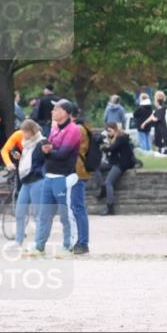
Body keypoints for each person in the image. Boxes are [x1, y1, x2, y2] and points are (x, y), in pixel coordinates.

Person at [31, 99, 81, 256]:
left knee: (66, 215)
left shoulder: (73, 130)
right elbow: (48, 151)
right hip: (49, 176)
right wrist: (47, 150)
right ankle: (39, 246)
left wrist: (49, 151)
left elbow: (63, 153)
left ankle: (68, 246)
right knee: (44, 214)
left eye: (56, 109)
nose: (52, 112)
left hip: (63, 177)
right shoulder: (54, 129)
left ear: (65, 112)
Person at [0, 119, 45, 249]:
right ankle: (18, 240)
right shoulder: (26, 143)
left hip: (37, 180)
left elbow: (43, 160)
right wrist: (18, 157)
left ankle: (39, 243)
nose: (23, 135)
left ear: (32, 131)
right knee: (19, 212)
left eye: (26, 132)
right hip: (26, 181)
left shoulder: (41, 142)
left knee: (38, 213)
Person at [94, 121, 135, 216]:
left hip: (122, 164)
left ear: (115, 130)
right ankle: (103, 188)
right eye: (107, 131)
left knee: (109, 182)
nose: (109, 133)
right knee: (95, 167)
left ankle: (110, 207)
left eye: (110, 131)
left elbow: (112, 148)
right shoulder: (113, 138)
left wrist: (104, 147)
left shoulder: (121, 138)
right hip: (114, 162)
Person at [69, 107, 91, 255]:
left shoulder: (77, 129)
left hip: (77, 171)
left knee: (78, 207)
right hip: (75, 171)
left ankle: (83, 242)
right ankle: (80, 241)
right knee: (75, 207)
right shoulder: (78, 128)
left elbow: (67, 148)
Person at [151, 91, 167, 155]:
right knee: (159, 137)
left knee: (162, 137)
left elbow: (158, 118)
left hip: (161, 125)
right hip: (159, 125)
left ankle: (165, 150)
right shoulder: (159, 107)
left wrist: (152, 118)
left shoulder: (161, 107)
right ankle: (161, 149)